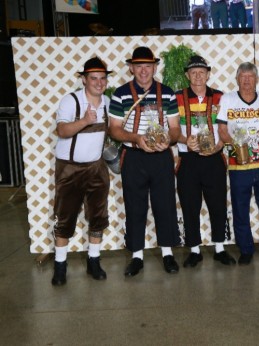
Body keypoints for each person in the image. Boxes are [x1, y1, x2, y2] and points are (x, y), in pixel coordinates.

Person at [108, 46, 182, 276]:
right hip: (134, 156)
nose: (143, 70)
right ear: (131, 68)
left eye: (147, 66)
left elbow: (176, 129)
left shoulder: (167, 92)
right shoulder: (120, 93)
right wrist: (136, 139)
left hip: (160, 157)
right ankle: (137, 256)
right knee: (134, 205)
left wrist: (168, 140)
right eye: (138, 66)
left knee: (165, 204)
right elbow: (115, 130)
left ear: (154, 67)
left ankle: (168, 254)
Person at [51, 57, 112, 286]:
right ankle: (60, 265)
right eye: (94, 78)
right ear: (84, 79)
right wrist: (85, 120)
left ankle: (93, 261)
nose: (99, 82)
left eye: (103, 78)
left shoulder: (107, 102)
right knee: (65, 217)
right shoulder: (71, 101)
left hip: (96, 168)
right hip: (69, 168)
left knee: (98, 217)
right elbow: (62, 130)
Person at [175, 55, 236, 267]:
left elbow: (229, 127)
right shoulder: (177, 98)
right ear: (187, 75)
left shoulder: (222, 97)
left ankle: (220, 248)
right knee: (190, 205)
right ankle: (194, 250)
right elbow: (171, 130)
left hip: (214, 158)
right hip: (188, 159)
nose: (198, 76)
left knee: (218, 204)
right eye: (193, 72)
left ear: (208, 74)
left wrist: (220, 146)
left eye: (202, 72)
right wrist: (184, 140)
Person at [217, 62, 259, 265]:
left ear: (256, 79)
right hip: (238, 163)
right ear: (237, 79)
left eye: (250, 77)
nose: (246, 80)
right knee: (240, 208)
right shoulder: (227, 99)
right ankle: (245, 249)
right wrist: (235, 145)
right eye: (242, 76)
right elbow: (222, 131)